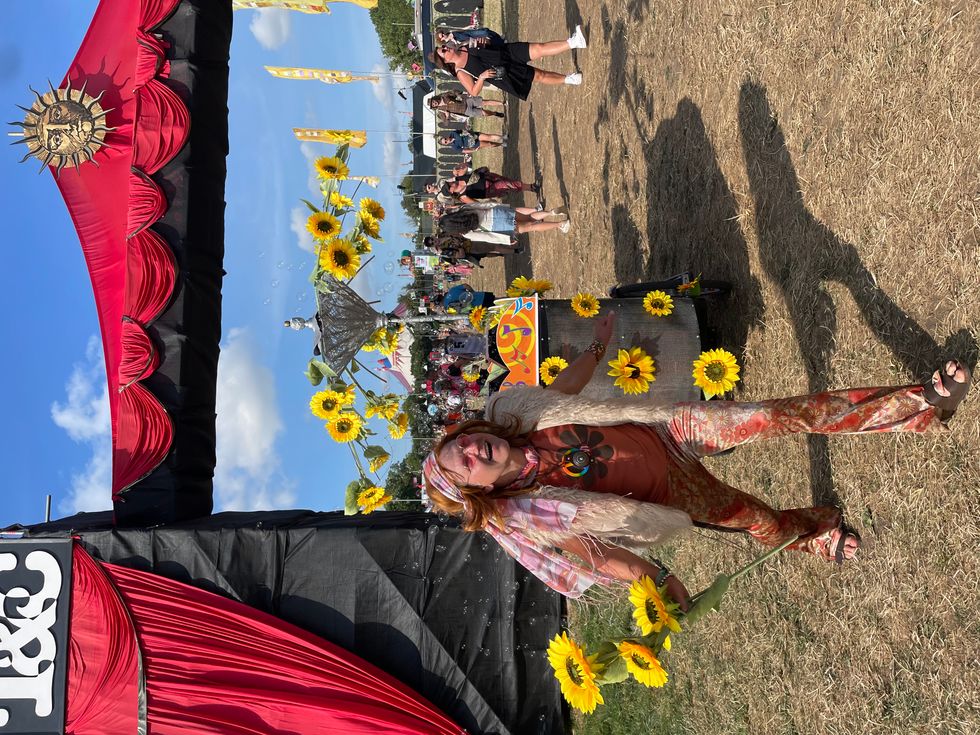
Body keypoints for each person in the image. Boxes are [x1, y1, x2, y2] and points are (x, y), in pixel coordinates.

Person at [422, 311, 972, 603]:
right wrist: (656, 581)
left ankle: (921, 405)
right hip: (673, 494)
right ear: (480, 490)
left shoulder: (512, 411)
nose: (470, 451)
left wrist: (596, 345)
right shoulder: (532, 515)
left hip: (668, 430)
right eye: (463, 465)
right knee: (759, 520)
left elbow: (561, 391)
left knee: (773, 415)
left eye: (460, 443)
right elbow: (599, 557)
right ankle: (816, 533)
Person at [429, 25, 588, 101]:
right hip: (505, 71)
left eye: (443, 47)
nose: (446, 48)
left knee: (539, 48)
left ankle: (574, 42)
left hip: (505, 52)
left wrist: (484, 42)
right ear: (445, 61)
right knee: (540, 75)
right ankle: (570, 79)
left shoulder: (462, 46)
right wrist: (482, 77)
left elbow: (485, 45)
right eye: (443, 51)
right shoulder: (460, 71)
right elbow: (473, 91)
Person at [439, 202, 571, 239]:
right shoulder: (464, 209)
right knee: (529, 217)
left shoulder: (466, 232)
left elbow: (487, 237)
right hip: (496, 212)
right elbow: (483, 205)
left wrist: (505, 239)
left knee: (532, 226)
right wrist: (497, 205)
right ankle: (551, 212)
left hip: (497, 226)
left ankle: (560, 224)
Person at [441, 167, 540, 204]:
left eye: (448, 183)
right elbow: (476, 204)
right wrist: (489, 202)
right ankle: (532, 187)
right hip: (489, 190)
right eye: (449, 186)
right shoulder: (462, 197)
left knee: (507, 180)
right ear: (451, 191)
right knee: (506, 184)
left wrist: (460, 168)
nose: (450, 183)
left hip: (487, 177)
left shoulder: (458, 178)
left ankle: (530, 188)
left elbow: (466, 168)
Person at [428, 91, 504, 122]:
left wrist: (459, 95)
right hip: (465, 111)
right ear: (434, 107)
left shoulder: (443, 96)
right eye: (433, 105)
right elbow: (446, 123)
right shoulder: (440, 111)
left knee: (484, 102)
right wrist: (447, 116)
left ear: (434, 99)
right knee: (484, 113)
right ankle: (494, 113)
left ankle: (502, 103)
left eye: (433, 102)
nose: (434, 103)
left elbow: (454, 92)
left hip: (466, 101)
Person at [439, 128, 506, 154]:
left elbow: (463, 130)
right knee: (490, 144)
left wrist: (470, 132)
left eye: (445, 139)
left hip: (473, 135)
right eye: (445, 142)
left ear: (445, 137)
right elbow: (464, 151)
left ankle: (503, 137)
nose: (446, 140)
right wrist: (474, 150)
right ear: (446, 144)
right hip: (474, 144)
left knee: (488, 137)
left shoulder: (453, 133)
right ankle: (501, 144)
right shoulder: (454, 147)